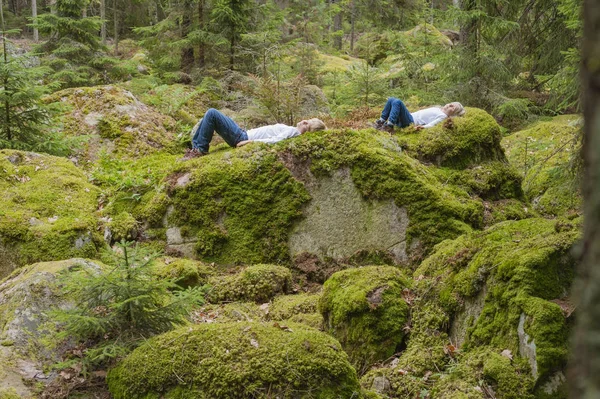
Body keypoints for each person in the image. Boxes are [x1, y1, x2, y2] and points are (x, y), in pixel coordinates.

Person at [182, 108, 327, 160]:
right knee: (210, 116)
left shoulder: (292, 132)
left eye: (306, 121)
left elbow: (274, 140)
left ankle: (199, 150)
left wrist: (249, 142)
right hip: (243, 134)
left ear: (307, 125)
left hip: (242, 137)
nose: (302, 121)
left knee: (212, 114)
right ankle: (197, 148)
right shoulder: (292, 132)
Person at [374, 97, 466, 133]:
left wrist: (422, 127)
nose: (450, 105)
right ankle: (381, 121)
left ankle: (389, 125)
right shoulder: (438, 109)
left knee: (397, 102)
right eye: (451, 103)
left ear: (453, 114)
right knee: (391, 100)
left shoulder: (443, 116)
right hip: (408, 117)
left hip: (410, 121)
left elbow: (432, 124)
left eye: (453, 107)